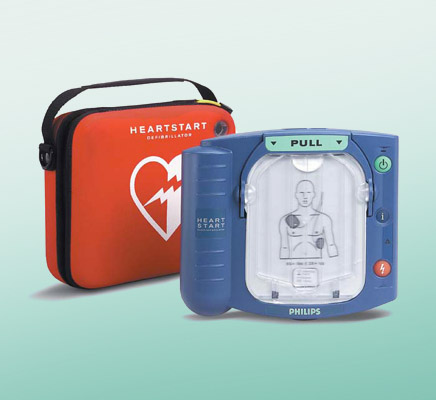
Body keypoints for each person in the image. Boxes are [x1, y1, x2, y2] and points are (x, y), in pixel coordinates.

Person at [279, 180, 338, 259]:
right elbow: (284, 247)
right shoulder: (284, 221)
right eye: (301, 193)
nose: (305, 196)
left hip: (317, 263)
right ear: (296, 195)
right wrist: (282, 263)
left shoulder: (324, 219)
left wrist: (334, 262)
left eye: (308, 192)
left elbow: (331, 245)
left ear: (313, 194)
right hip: (294, 263)